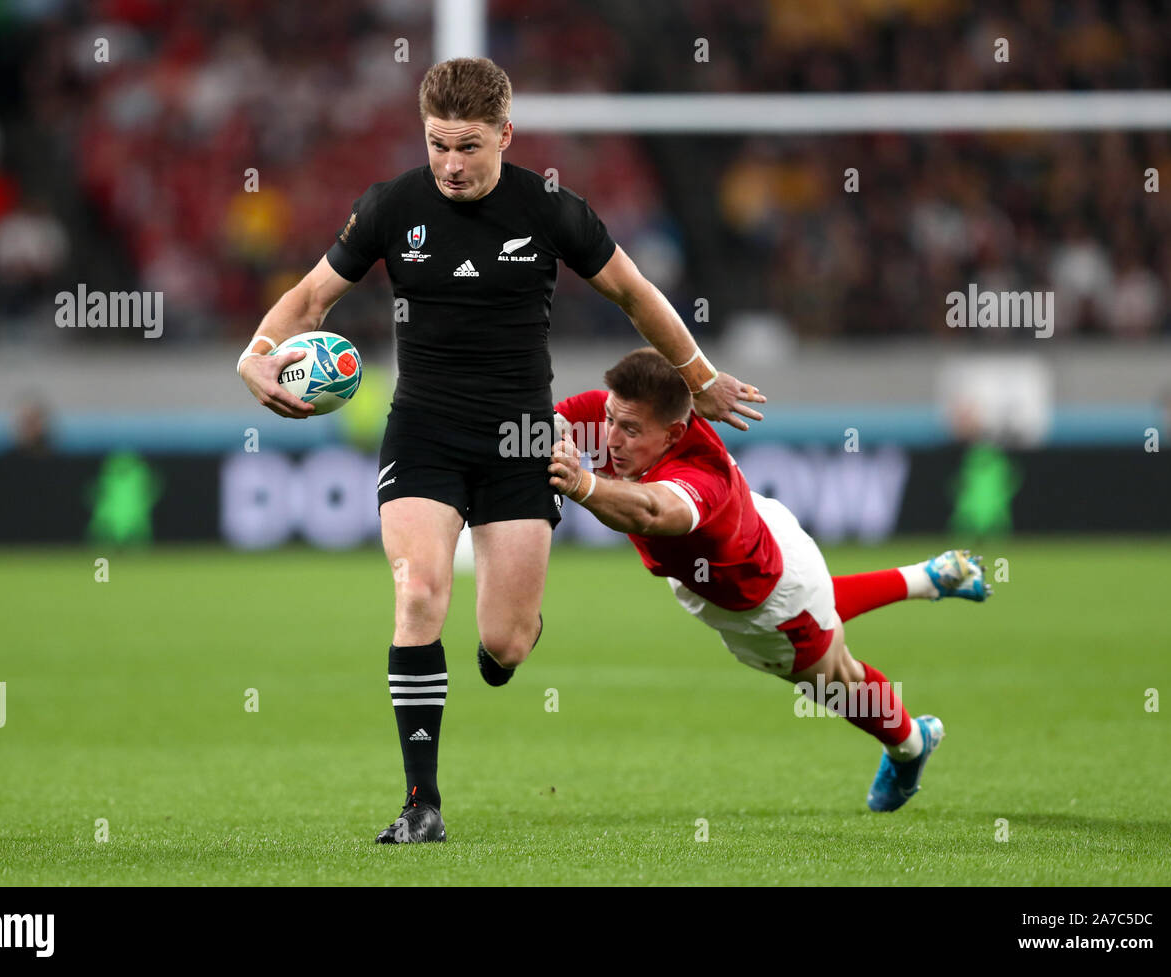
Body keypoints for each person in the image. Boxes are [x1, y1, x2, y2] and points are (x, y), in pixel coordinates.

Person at [236, 58, 766, 843]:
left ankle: (507, 648)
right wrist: (255, 354)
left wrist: (700, 375)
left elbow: (633, 293)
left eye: (469, 146)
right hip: (422, 430)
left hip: (523, 437)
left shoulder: (551, 209)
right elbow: (312, 297)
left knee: (503, 639)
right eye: (438, 144)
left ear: (505, 136)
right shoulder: (390, 207)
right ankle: (422, 804)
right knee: (417, 592)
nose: (450, 163)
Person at [549, 349, 991, 811]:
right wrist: (549, 431)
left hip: (767, 604)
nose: (611, 438)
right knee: (823, 613)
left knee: (837, 679)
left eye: (630, 430)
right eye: (610, 420)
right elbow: (550, 418)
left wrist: (581, 484)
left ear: (674, 432)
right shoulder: (629, 410)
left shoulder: (699, 481)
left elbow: (653, 510)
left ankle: (911, 744)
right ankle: (924, 579)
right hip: (764, 538)